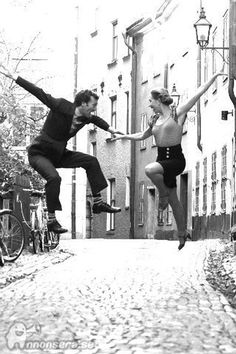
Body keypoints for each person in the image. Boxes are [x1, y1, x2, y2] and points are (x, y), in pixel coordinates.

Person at [0, 64, 124, 234]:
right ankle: (51, 220)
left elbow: (97, 121)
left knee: (90, 161)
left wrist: (111, 129)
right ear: (83, 103)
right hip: (39, 154)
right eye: (93, 105)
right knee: (54, 178)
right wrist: (15, 77)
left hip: (59, 154)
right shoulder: (60, 105)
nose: (94, 109)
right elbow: (39, 92)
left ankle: (98, 202)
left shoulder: (86, 117)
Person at [113, 70, 227, 250]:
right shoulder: (154, 119)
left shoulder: (177, 113)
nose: (149, 105)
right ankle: (182, 235)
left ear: (159, 100)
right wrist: (123, 136)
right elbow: (142, 135)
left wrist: (215, 76)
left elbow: (198, 93)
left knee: (150, 170)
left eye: (151, 101)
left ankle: (163, 195)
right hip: (161, 159)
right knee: (175, 200)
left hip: (175, 159)